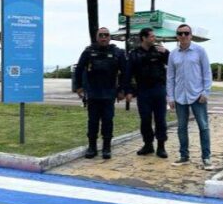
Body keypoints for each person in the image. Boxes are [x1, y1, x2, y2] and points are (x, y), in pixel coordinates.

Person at [73, 27, 129, 159]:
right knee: (92, 121)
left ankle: (106, 148)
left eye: (106, 35)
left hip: (109, 94)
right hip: (93, 93)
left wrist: (122, 90)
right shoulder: (88, 51)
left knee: (108, 121)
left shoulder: (117, 52)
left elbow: (125, 73)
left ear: (110, 37)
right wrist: (78, 87)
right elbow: (79, 69)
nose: (104, 37)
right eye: (101, 35)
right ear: (97, 37)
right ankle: (92, 147)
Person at [167, 24, 214, 170]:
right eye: (180, 33)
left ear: (191, 35)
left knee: (203, 126)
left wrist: (206, 92)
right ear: (177, 36)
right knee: (181, 127)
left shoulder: (199, 51)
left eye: (186, 33)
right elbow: (170, 77)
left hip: (197, 95)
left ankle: (206, 157)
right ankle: (184, 156)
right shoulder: (173, 54)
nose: (183, 36)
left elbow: (207, 72)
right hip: (180, 96)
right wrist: (170, 97)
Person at [127, 27, 170, 158]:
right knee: (145, 119)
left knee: (160, 119)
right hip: (143, 90)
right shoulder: (134, 54)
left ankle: (161, 146)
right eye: (151, 36)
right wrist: (129, 91)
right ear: (143, 38)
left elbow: (173, 64)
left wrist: (167, 52)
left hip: (158, 88)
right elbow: (128, 74)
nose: (154, 38)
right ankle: (148, 145)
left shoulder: (160, 51)